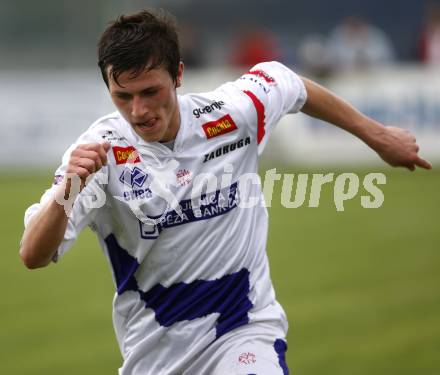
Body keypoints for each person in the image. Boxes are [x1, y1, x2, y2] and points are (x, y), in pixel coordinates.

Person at [19, 9, 431, 375]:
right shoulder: (97, 154)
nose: (139, 111)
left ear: (178, 75)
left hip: (244, 329)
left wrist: (378, 136)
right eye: (123, 96)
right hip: (155, 353)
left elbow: (290, 83)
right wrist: (68, 192)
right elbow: (33, 255)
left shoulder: (231, 114)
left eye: (151, 92)